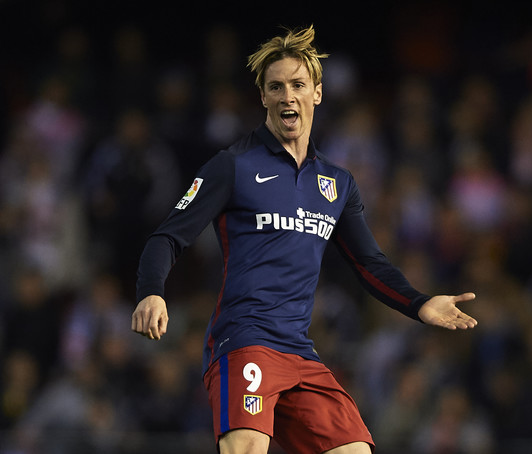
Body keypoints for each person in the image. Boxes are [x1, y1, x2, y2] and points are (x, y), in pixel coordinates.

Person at [131, 25, 478, 454]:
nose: (286, 95)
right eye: (275, 87)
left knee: (356, 451)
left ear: (317, 93)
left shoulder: (336, 183)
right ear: (263, 98)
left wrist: (420, 302)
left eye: (297, 84)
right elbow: (166, 236)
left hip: (300, 352)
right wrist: (151, 292)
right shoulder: (232, 166)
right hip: (245, 340)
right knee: (246, 448)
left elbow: (369, 263)